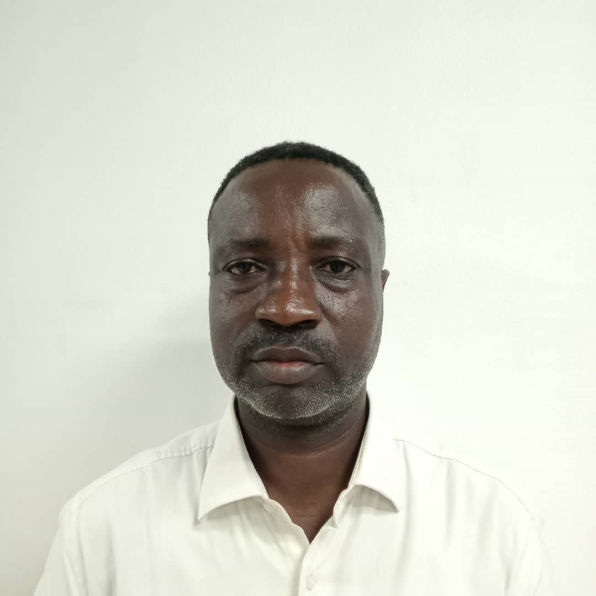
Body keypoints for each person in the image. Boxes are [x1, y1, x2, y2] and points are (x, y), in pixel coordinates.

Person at [36, 141, 553, 595]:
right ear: (213, 286)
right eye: (245, 267)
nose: (287, 308)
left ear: (379, 292)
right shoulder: (102, 531)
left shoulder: (493, 529)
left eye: (335, 267)